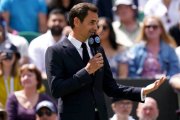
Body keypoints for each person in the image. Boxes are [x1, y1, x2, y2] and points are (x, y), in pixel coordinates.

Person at [45, 3, 165, 120]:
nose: (96, 28)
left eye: (96, 23)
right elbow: (57, 89)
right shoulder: (56, 51)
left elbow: (111, 87)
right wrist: (86, 71)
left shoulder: (97, 49)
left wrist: (143, 91)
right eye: (92, 22)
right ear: (76, 22)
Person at [29, 9, 67, 79]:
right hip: (42, 84)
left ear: (65, 23)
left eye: (60, 21)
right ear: (48, 22)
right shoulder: (36, 43)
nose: (57, 23)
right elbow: (36, 71)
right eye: (54, 20)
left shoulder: (71, 43)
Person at [0, 42, 22, 107]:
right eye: (5, 54)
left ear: (16, 57)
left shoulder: (22, 74)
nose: (7, 57)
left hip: (18, 111)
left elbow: (38, 89)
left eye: (11, 54)